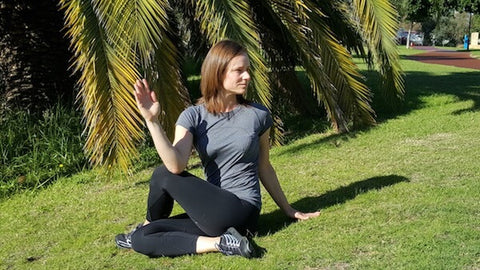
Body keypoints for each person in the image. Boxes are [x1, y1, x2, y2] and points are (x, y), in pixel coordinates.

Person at [115, 39, 320, 258]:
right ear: (218, 73)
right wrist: (152, 122)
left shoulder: (258, 115)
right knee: (141, 239)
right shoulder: (193, 116)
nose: (247, 76)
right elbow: (176, 163)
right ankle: (221, 243)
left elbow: (265, 167)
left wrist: (289, 209)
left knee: (162, 173)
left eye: (247, 70)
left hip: (243, 210)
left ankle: (150, 223)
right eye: (239, 70)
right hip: (213, 215)